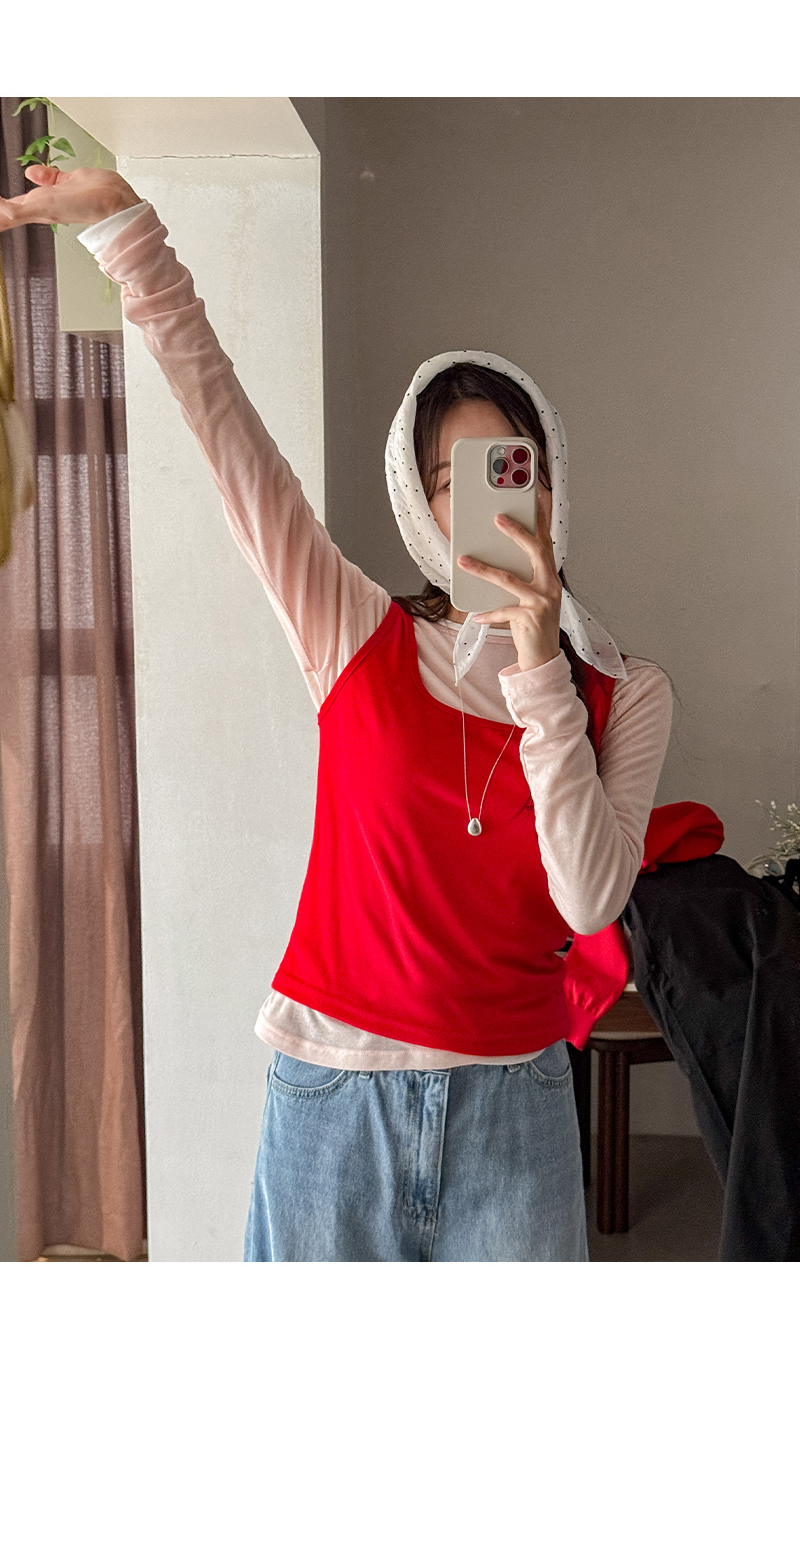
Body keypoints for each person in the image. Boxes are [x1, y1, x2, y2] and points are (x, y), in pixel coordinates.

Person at [0, 153, 674, 1267]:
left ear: (553, 480)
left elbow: (589, 896)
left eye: (511, 467)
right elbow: (236, 453)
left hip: (516, 1106)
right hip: (329, 1096)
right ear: (420, 504)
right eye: (453, 479)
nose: (490, 502)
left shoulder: (622, 688)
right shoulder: (355, 633)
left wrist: (537, 663)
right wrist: (128, 235)